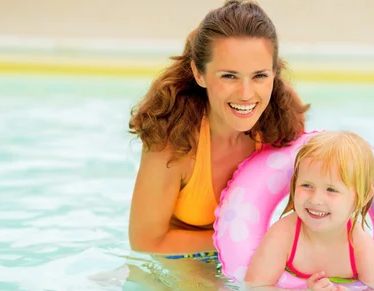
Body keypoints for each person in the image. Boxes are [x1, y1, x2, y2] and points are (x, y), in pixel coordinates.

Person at [128, 0, 309, 257]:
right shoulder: (173, 140)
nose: (246, 94)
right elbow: (146, 243)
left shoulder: (282, 117)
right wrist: (244, 239)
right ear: (199, 74)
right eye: (229, 76)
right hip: (180, 260)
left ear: (274, 73)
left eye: (259, 76)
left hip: (253, 251)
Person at [244, 131, 374, 291]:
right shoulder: (284, 234)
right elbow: (255, 289)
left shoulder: (357, 243)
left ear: (361, 197)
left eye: (331, 189)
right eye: (307, 185)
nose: (316, 199)